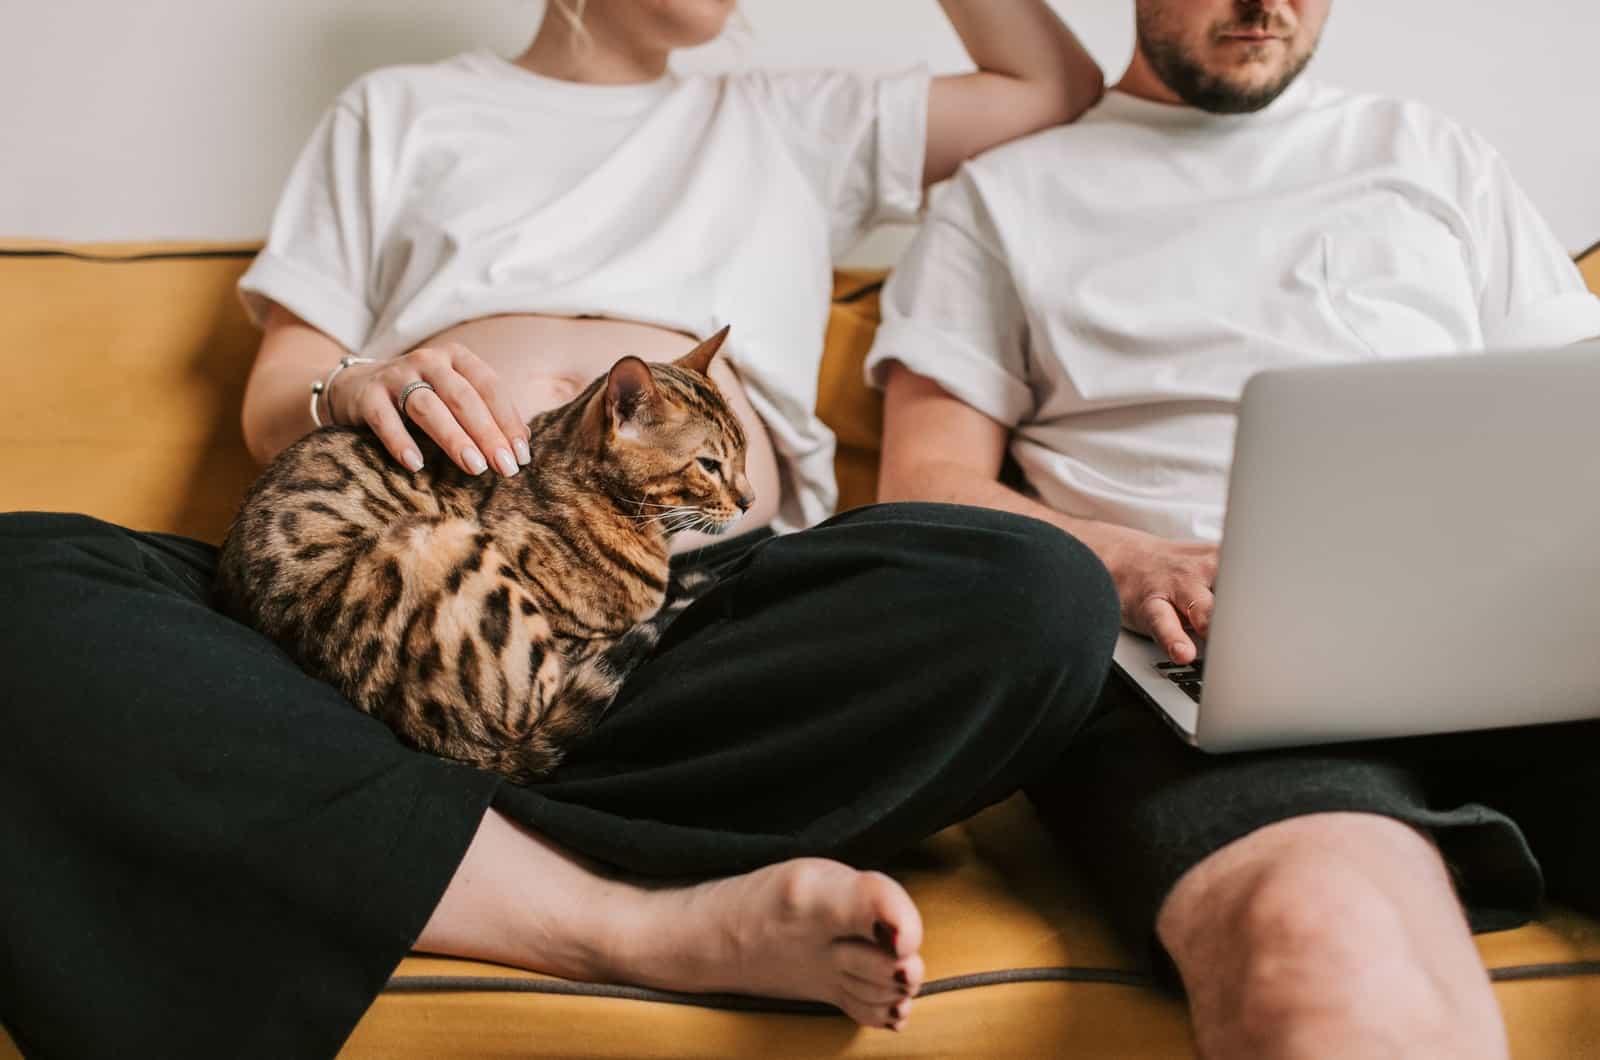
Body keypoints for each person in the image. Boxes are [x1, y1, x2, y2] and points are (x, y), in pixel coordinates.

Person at [0, 2, 1122, 1057]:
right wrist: (356, 383)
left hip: (688, 630)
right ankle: (613, 916)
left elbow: (1049, 82)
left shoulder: (789, 114)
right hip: (385, 609)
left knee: (1041, 592)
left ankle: (379, 819)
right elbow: (278, 386)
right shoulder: (399, 109)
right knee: (21, 579)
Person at [869, 0, 1600, 1056]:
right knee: (1320, 942)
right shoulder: (1003, 198)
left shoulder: (1426, 152)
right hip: (1195, 665)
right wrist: (1124, 558)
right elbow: (926, 484)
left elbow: (1572, 407)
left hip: (1506, 643)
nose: (1265, 5)